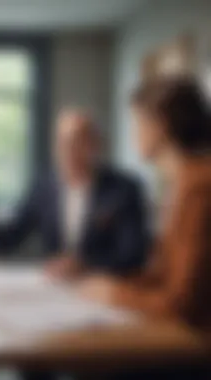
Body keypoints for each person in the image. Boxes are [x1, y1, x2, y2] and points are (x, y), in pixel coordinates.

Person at [0, 109, 149, 279]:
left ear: (95, 145)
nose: (68, 149)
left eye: (78, 140)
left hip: (106, 290)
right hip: (55, 289)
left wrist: (85, 265)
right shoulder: (43, 187)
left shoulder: (124, 189)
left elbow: (133, 255)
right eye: (61, 142)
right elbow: (13, 235)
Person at [80, 75, 211, 328]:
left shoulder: (198, 189)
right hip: (181, 336)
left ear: (160, 125)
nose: (133, 133)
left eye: (138, 122)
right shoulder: (179, 184)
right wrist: (114, 285)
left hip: (195, 348)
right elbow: (165, 276)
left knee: (97, 364)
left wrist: (115, 295)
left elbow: (181, 304)